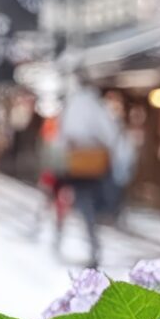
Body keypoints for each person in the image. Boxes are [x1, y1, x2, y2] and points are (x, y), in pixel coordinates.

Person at [53, 86, 124, 268]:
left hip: (77, 167)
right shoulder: (96, 107)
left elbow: (61, 138)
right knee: (89, 206)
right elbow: (109, 134)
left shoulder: (70, 107)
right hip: (94, 168)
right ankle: (93, 245)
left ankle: (73, 240)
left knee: (82, 206)